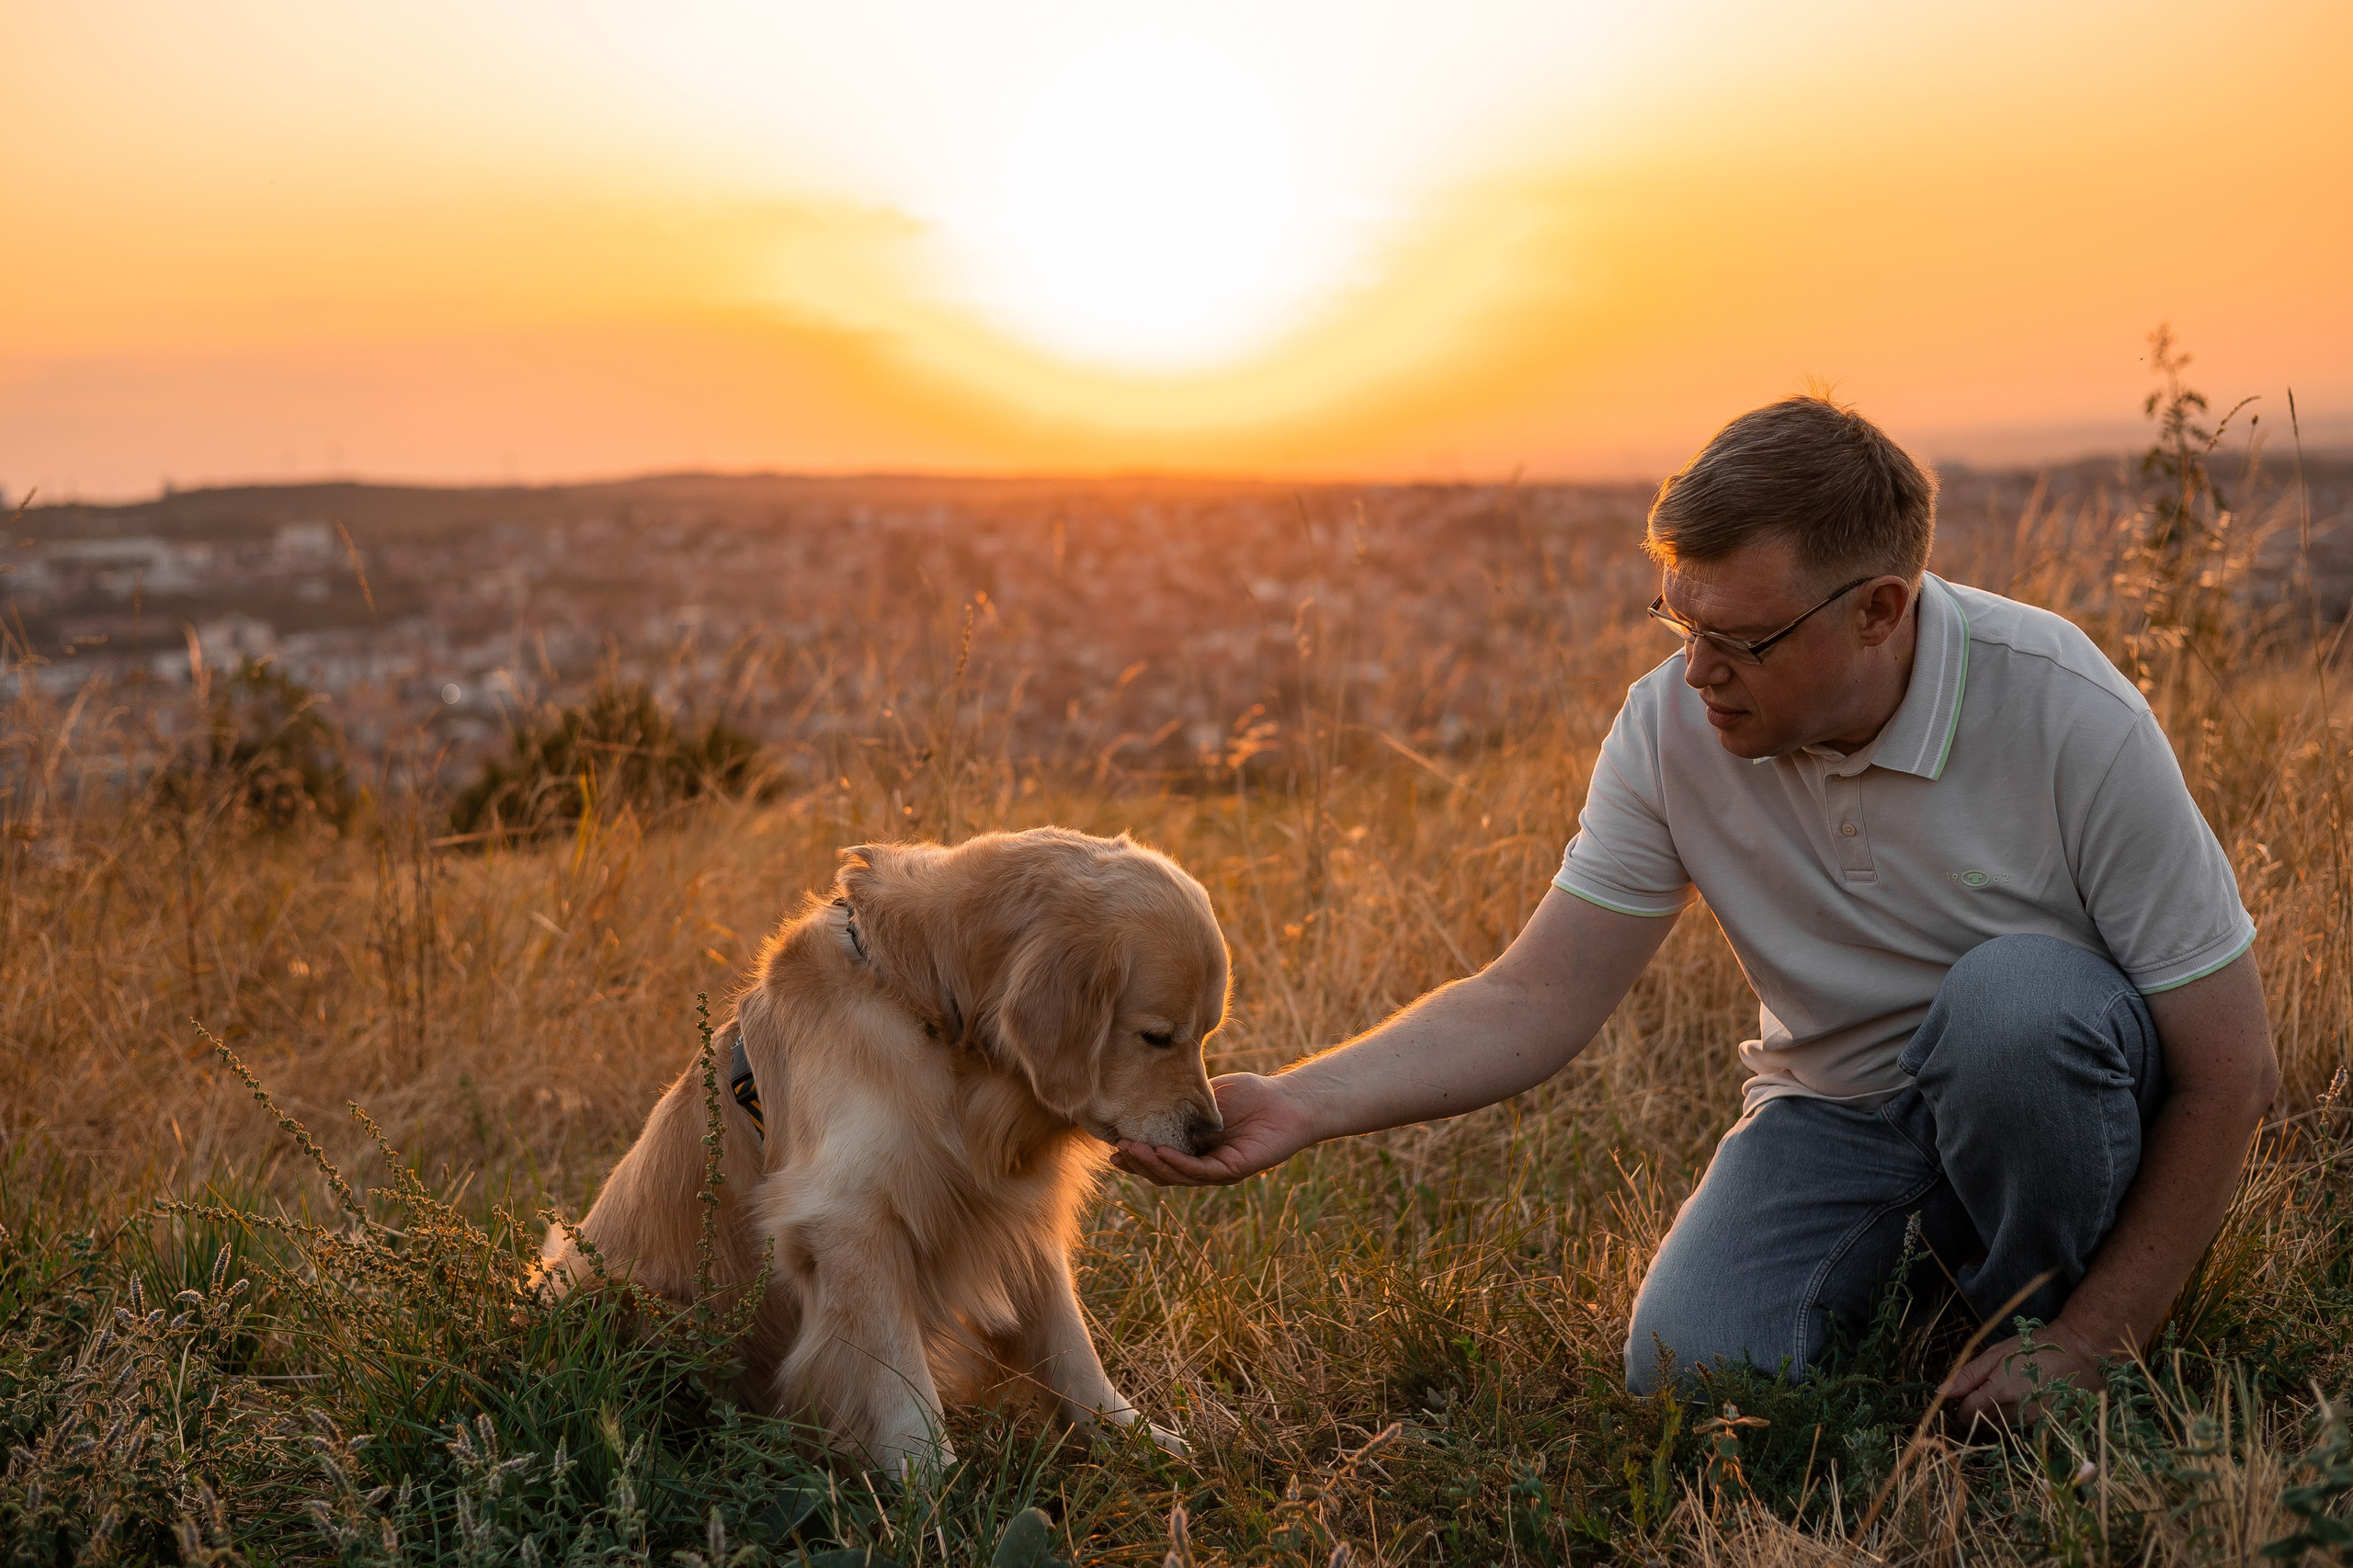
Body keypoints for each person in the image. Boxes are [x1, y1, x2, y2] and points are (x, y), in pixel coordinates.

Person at [1114, 395, 2279, 1425]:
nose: (1699, 671)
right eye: (1680, 623)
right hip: (1836, 1109)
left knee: (2013, 1004)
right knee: (1690, 1371)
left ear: (1878, 610)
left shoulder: (2068, 709)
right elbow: (1536, 993)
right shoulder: (1668, 725)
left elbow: (2230, 1066)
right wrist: (1303, 1103)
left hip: (2049, 1085)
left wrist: (2099, 1336)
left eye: (1740, 640)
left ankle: (2037, 1315)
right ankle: (1933, 1292)